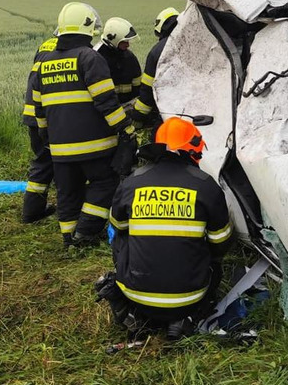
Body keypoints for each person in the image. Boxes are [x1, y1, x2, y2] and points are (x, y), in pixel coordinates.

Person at [98, 116, 232, 340]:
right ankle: (188, 317)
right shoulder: (206, 185)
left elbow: (118, 227)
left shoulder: (131, 182)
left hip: (136, 295)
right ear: (194, 150)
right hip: (189, 298)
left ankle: (131, 309)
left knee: (122, 234)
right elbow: (221, 243)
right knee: (212, 247)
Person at [29, 2, 138, 247]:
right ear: (87, 27)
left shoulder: (44, 62)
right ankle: (85, 233)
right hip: (94, 146)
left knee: (68, 192)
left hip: (59, 148)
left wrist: (48, 138)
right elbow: (106, 102)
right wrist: (125, 128)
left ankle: (68, 238)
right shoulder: (90, 58)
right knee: (106, 183)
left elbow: (39, 109)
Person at [19, 34, 58, 223]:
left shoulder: (45, 46)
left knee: (42, 163)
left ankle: (31, 212)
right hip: (48, 116)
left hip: (33, 114)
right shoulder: (69, 50)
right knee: (55, 163)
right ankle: (65, 208)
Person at [131, 7, 180, 133]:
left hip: (167, 115)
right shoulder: (196, 44)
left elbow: (148, 90)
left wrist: (137, 117)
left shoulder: (157, 51)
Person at [94, 17, 142, 107]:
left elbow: (138, 87)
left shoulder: (130, 58)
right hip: (104, 110)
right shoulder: (96, 58)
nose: (128, 45)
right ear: (113, 39)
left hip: (128, 106)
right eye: (124, 41)